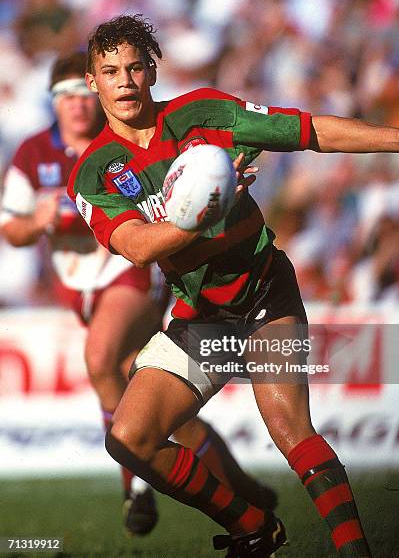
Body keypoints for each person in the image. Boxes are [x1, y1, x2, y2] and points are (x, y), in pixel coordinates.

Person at [68, 15, 399, 557]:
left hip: (266, 294)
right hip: (201, 318)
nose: (124, 81)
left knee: (292, 432)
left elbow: (307, 130)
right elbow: (138, 247)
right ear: (92, 80)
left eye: (133, 68)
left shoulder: (204, 113)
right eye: (109, 71)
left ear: (152, 71)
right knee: (129, 439)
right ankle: (252, 526)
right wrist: (204, 209)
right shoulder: (96, 171)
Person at [0, 50, 277, 539]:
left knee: (100, 358)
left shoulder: (118, 151)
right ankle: (246, 489)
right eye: (64, 97)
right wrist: (34, 221)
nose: (77, 106)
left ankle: (137, 489)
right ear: (53, 102)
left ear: (98, 96)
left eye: (82, 96)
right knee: (155, 406)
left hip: (129, 275)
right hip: (78, 289)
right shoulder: (32, 155)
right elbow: (11, 229)